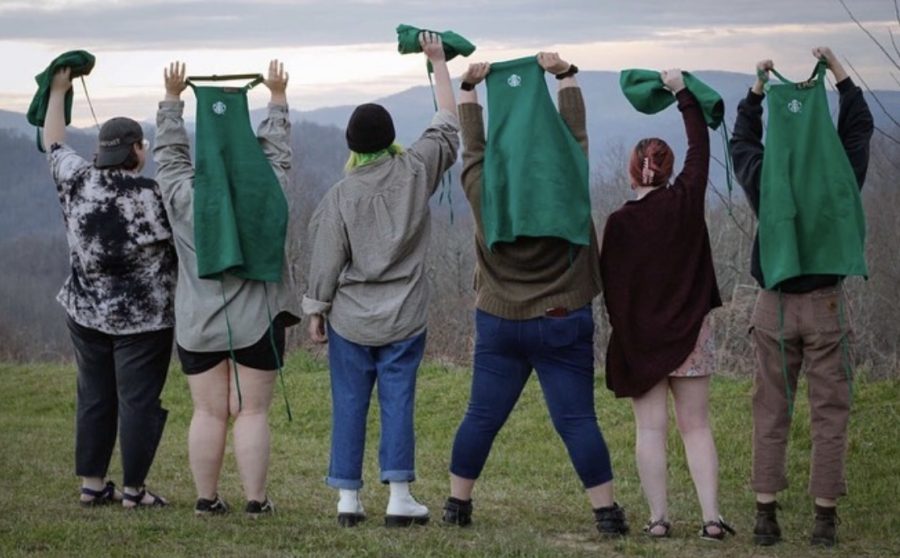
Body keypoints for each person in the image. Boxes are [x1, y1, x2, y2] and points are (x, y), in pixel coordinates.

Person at [443, 53, 628, 538]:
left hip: (499, 322)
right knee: (577, 420)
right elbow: (575, 135)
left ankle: (456, 506)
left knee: (481, 417)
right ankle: (606, 514)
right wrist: (564, 77)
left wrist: (468, 89)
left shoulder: (483, 189)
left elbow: (473, 149)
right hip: (563, 317)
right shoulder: (567, 182)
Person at [302, 32, 458, 528]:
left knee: (348, 403)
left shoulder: (340, 197)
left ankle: (348, 499)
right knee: (399, 402)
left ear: (350, 145)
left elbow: (326, 262)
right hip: (405, 317)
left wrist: (315, 311)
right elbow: (448, 123)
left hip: (351, 320)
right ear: (391, 137)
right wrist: (437, 62)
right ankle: (399, 495)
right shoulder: (416, 170)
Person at [730, 47, 873, 547]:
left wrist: (757, 90)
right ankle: (823, 521)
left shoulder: (764, 174)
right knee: (829, 411)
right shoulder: (841, 173)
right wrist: (837, 69)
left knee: (771, 409)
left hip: (774, 304)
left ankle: (766, 516)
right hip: (825, 304)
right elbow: (858, 128)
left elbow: (741, 141)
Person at [154, 60, 300, 517]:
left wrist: (173, 102)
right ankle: (257, 502)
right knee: (252, 412)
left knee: (209, 412)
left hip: (197, 324)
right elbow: (276, 155)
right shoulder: (265, 191)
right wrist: (276, 98)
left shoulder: (182, 195)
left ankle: (206, 499)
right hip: (256, 322)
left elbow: (169, 158)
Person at [599, 69, 733, 540]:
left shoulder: (617, 224)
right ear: (671, 169)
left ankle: (658, 520)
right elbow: (702, 147)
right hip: (692, 333)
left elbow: (612, 293)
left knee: (650, 430)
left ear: (632, 172)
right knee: (696, 427)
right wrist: (682, 93)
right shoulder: (686, 199)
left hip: (642, 340)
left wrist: (630, 336)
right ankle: (711, 518)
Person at [43, 67, 177, 508]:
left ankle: (92, 483)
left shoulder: (78, 181)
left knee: (95, 396)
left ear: (102, 152)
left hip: (85, 311)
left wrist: (59, 90)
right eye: (143, 146)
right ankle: (135, 491)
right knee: (138, 402)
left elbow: (54, 143)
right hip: (145, 319)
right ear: (137, 151)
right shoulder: (153, 195)